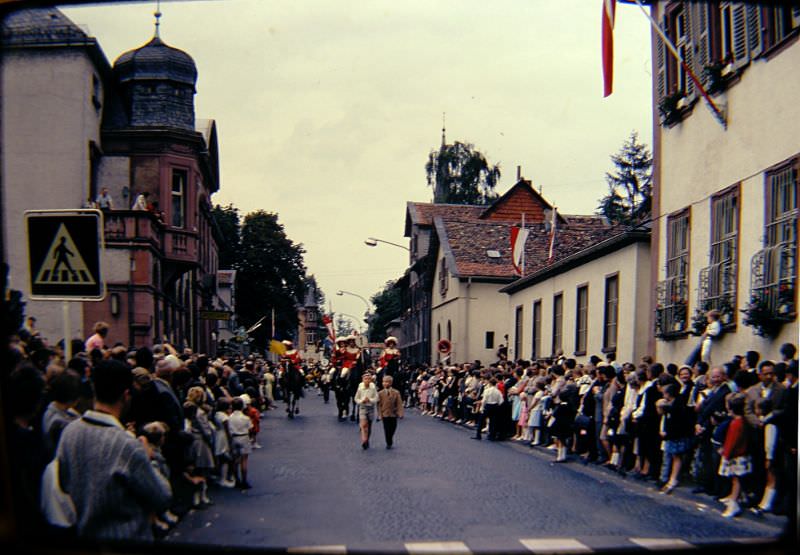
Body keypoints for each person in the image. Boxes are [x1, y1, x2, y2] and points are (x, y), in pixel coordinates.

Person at [56, 359, 172, 541]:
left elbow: (63, 482)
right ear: (126, 395)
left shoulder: (69, 432)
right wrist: (150, 458)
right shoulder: (128, 445)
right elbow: (162, 497)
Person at [718, 393, 751, 518]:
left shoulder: (735, 424)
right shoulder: (741, 421)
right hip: (740, 454)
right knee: (736, 480)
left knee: (736, 480)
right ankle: (736, 498)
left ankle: (733, 504)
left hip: (735, 456)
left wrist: (725, 453)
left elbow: (732, 441)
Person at [228, 397, 253, 489]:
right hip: (244, 437)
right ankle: (244, 481)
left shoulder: (229, 418)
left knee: (235, 460)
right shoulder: (245, 418)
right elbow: (250, 428)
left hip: (234, 438)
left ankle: (236, 480)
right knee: (244, 460)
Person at [377, 375, 404, 449]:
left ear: (391, 383)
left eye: (387, 382)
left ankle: (390, 437)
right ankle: (388, 442)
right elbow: (379, 405)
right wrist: (379, 415)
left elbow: (399, 403)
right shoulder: (380, 393)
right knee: (386, 428)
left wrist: (400, 413)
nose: (385, 383)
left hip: (393, 414)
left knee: (393, 428)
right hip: (384, 414)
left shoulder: (396, 392)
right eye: (384, 382)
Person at [354, 373, 378, 449]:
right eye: (365, 379)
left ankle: (367, 440)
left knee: (369, 426)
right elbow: (356, 398)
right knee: (364, 425)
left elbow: (377, 398)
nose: (367, 380)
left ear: (371, 380)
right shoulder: (360, 388)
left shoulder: (373, 388)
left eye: (369, 379)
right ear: (363, 380)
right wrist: (361, 401)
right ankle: (364, 440)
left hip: (371, 408)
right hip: (362, 407)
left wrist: (370, 400)